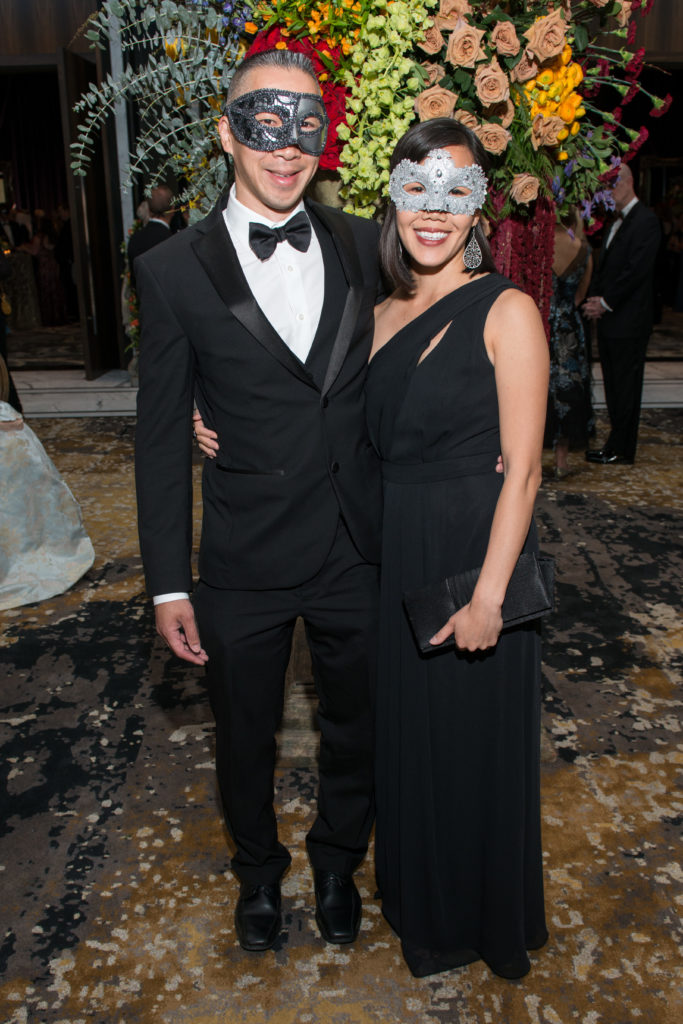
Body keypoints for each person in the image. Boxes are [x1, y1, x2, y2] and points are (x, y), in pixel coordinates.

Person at [134, 50, 383, 955]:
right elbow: (160, 434)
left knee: (359, 727)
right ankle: (258, 874)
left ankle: (337, 862)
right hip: (243, 553)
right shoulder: (171, 269)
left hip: (358, 543)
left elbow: (427, 335)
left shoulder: (365, 241)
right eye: (263, 125)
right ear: (226, 134)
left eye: (306, 126)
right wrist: (169, 583)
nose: (286, 148)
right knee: (244, 738)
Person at [366, 119, 549, 979]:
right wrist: (209, 421)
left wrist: (488, 597)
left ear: (478, 208)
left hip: (476, 556)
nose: (433, 211)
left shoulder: (507, 310)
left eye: (455, 192)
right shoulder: (378, 312)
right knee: (411, 744)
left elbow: (525, 470)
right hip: (395, 550)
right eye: (417, 189)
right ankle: (421, 906)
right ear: (393, 199)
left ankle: (478, 921)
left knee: (470, 750)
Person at [583, 162, 661, 465]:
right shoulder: (615, 222)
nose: (608, 191)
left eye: (612, 184)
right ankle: (614, 445)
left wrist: (605, 302)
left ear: (629, 182)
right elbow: (606, 269)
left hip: (629, 320)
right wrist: (594, 299)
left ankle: (622, 449)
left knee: (626, 388)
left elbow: (636, 272)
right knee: (614, 386)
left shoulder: (646, 221)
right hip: (611, 320)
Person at [545, 207, 594, 478]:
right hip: (570, 327)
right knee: (570, 388)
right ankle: (561, 461)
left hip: (542, 323)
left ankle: (531, 456)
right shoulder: (584, 249)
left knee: (540, 387)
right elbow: (581, 294)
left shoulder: (542, 244)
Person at [127, 185, 175, 291]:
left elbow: (135, 281)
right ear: (172, 209)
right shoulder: (171, 241)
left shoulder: (135, 238)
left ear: (148, 209)